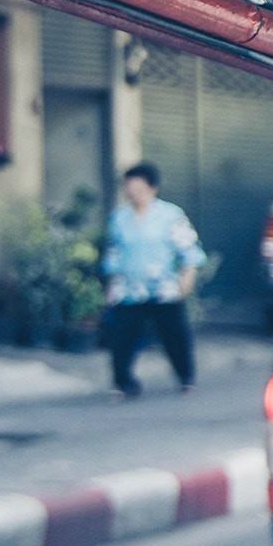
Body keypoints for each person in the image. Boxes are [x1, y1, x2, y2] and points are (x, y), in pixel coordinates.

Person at [100, 162, 204, 396]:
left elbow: (188, 249)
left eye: (138, 188)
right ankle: (123, 382)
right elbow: (113, 252)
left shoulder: (170, 215)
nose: (133, 193)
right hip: (128, 289)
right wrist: (110, 283)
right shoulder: (120, 218)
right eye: (129, 188)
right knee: (122, 338)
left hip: (163, 288)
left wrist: (188, 276)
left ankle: (186, 377)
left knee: (174, 335)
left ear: (152, 188)